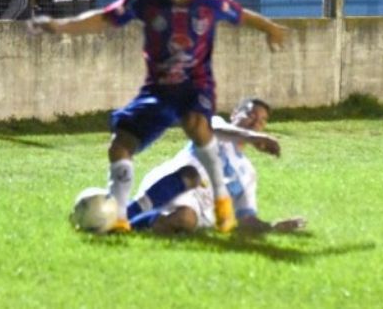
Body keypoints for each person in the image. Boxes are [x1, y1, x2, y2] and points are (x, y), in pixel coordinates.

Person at [30, 0, 288, 234]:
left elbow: (242, 15)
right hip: (158, 91)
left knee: (197, 123)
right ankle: (118, 218)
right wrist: (61, 26)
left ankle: (222, 202)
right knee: (120, 144)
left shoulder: (209, 2)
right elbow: (104, 18)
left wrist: (271, 28)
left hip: (195, 86)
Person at [127, 98, 307, 235]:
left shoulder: (248, 173)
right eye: (251, 115)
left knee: (185, 218)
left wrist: (272, 226)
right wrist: (251, 137)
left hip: (197, 210)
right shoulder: (216, 125)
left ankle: (130, 223)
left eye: (261, 121)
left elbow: (245, 218)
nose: (255, 123)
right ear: (235, 113)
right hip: (171, 185)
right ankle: (128, 212)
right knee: (192, 174)